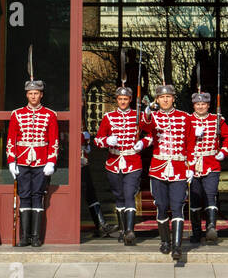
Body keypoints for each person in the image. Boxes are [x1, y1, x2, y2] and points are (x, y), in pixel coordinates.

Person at [139, 81, 195, 260]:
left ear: (173, 98)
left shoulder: (185, 117)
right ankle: (165, 241)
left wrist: (191, 167)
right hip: (159, 168)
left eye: (168, 97)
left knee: (178, 206)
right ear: (157, 99)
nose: (165, 100)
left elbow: (191, 143)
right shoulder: (153, 117)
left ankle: (177, 246)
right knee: (161, 206)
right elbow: (144, 126)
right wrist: (147, 111)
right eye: (162, 97)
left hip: (179, 167)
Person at [6, 76, 59, 247]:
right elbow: (11, 140)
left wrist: (51, 161)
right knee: (24, 196)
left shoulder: (50, 115)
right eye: (30, 93)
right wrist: (11, 161)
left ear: (41, 95)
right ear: (26, 95)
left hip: (41, 161)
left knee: (37, 196)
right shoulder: (17, 114)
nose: (33, 96)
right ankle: (24, 236)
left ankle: (36, 236)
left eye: (36, 93)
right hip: (21, 161)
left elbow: (54, 141)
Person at [94, 83, 144, 245]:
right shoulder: (108, 117)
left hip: (132, 161)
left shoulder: (138, 115)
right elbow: (98, 139)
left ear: (130, 100)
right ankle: (123, 230)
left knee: (129, 194)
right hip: (114, 162)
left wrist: (142, 143)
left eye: (126, 99)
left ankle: (130, 231)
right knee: (119, 196)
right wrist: (107, 140)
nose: (123, 102)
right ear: (117, 100)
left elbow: (151, 133)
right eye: (120, 99)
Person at [187, 92, 228, 245]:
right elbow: (181, 140)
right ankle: (195, 232)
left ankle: (211, 228)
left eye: (203, 104)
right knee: (194, 198)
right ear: (194, 105)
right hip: (192, 163)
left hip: (211, 162)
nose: (200, 106)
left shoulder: (217, 119)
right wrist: (193, 134)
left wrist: (223, 152)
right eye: (197, 104)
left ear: (208, 105)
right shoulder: (187, 120)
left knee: (210, 195)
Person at [80, 129, 119, 239]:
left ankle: (101, 225)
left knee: (91, 193)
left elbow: (85, 149)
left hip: (82, 164)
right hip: (69, 166)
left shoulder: (82, 131)